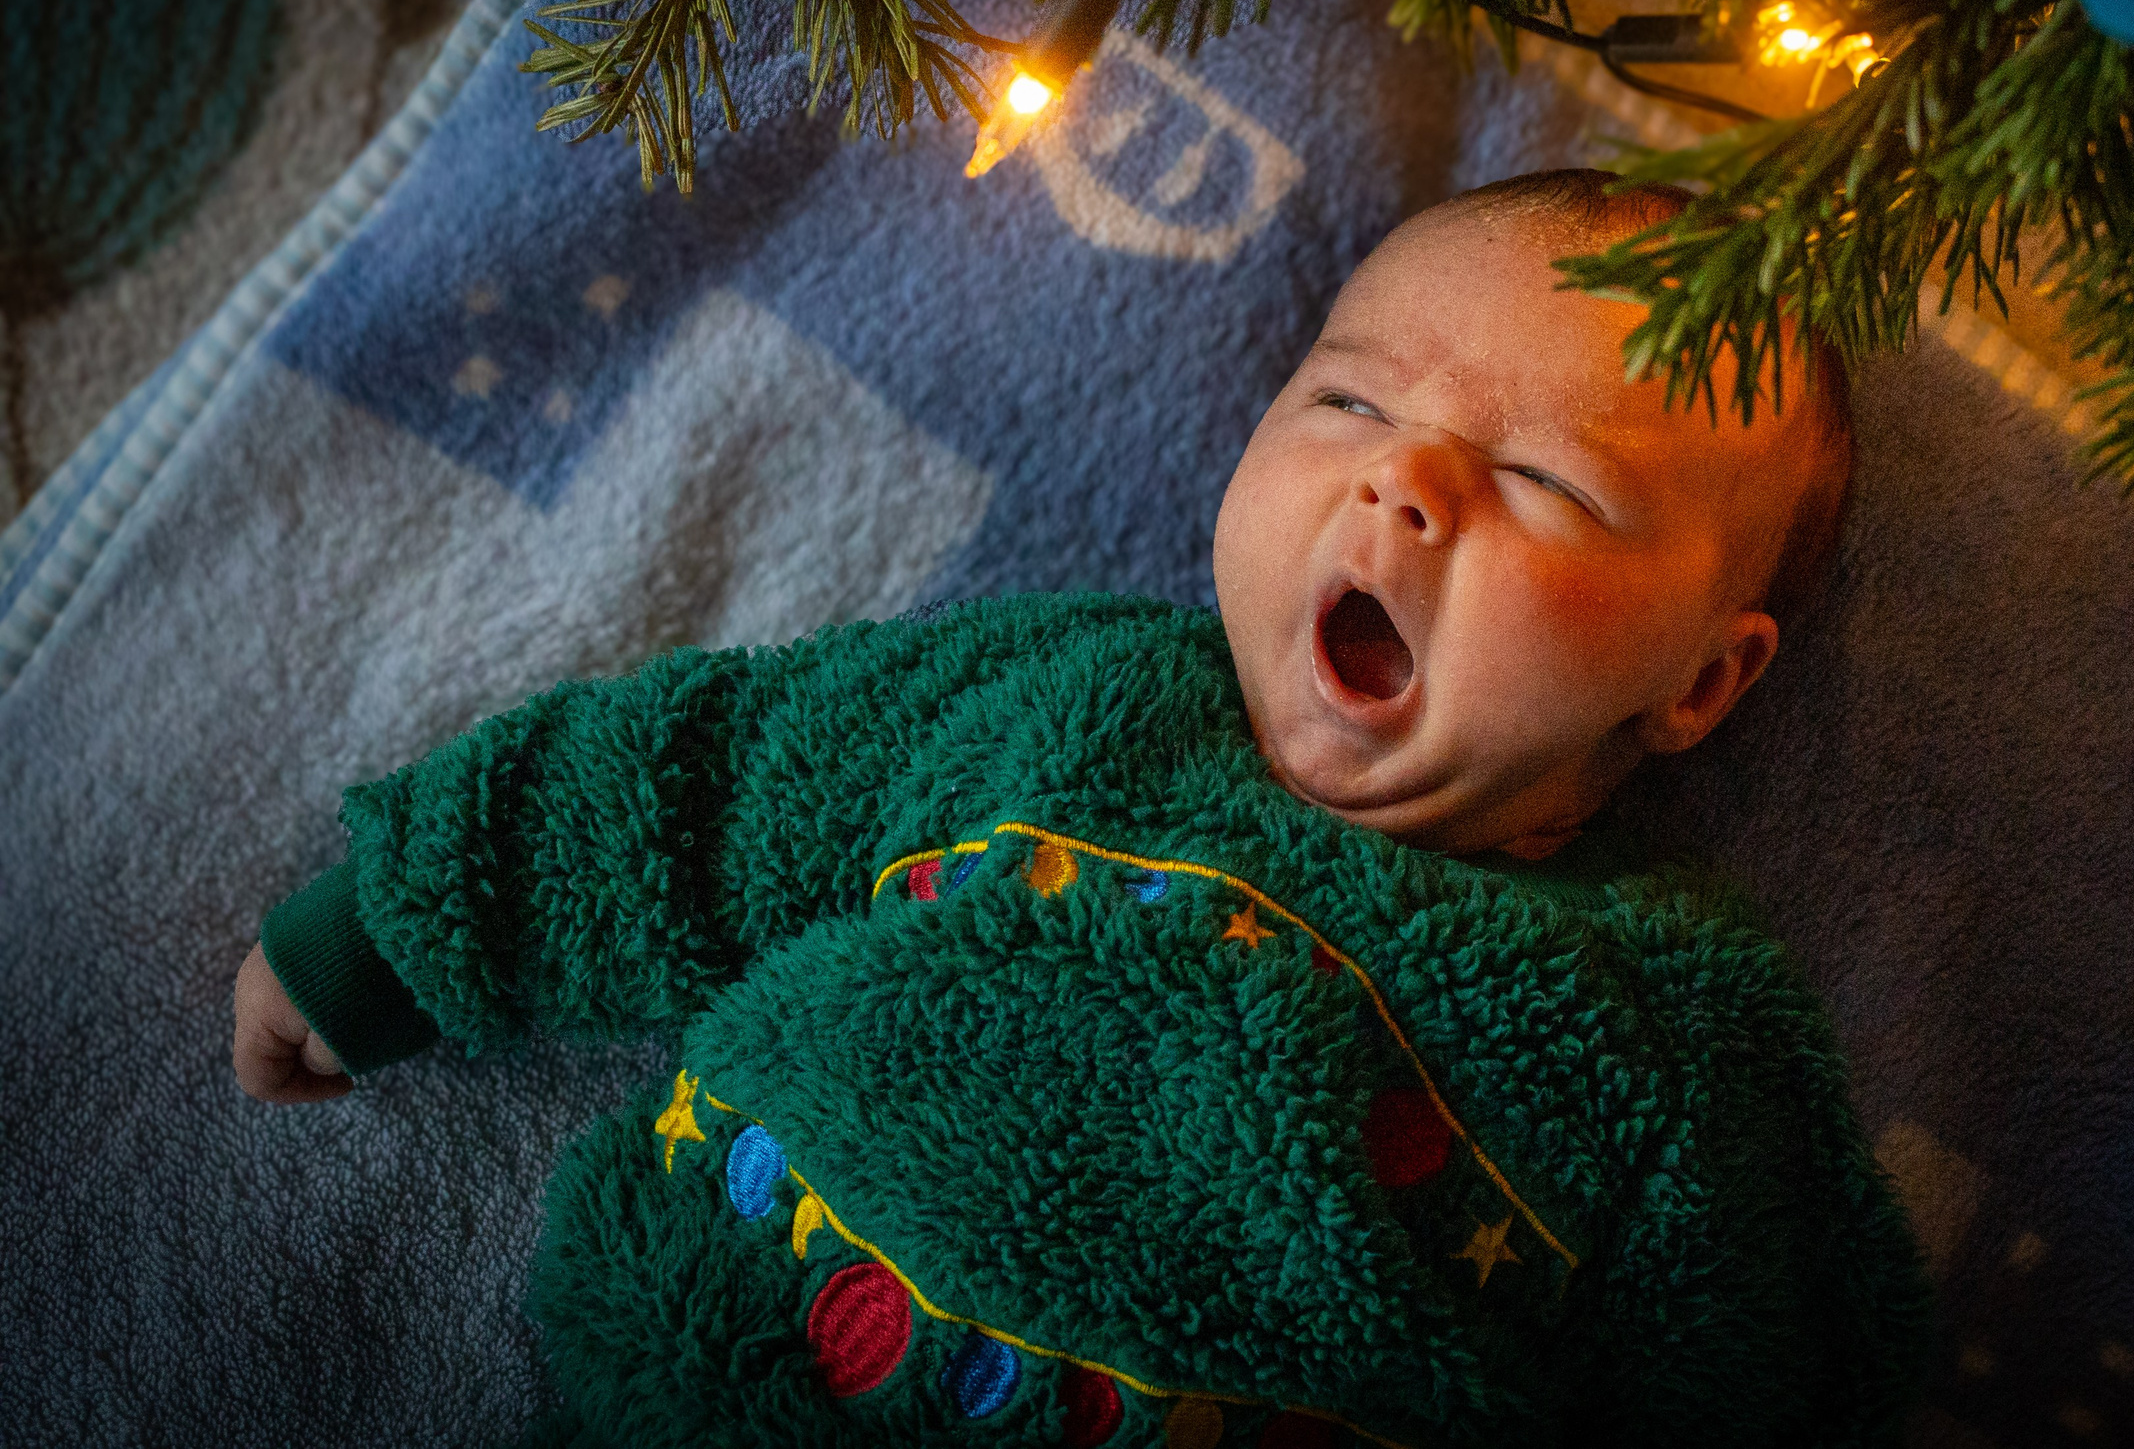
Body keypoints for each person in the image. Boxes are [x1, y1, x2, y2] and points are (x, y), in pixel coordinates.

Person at [233, 169, 1926, 1448]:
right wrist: (394, 925)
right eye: (1351, 399)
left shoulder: (1666, 1035)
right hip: (703, 1356)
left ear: (1702, 681)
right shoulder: (1074, 693)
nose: (1408, 480)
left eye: (1550, 479)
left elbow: (1785, 1367)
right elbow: (717, 773)